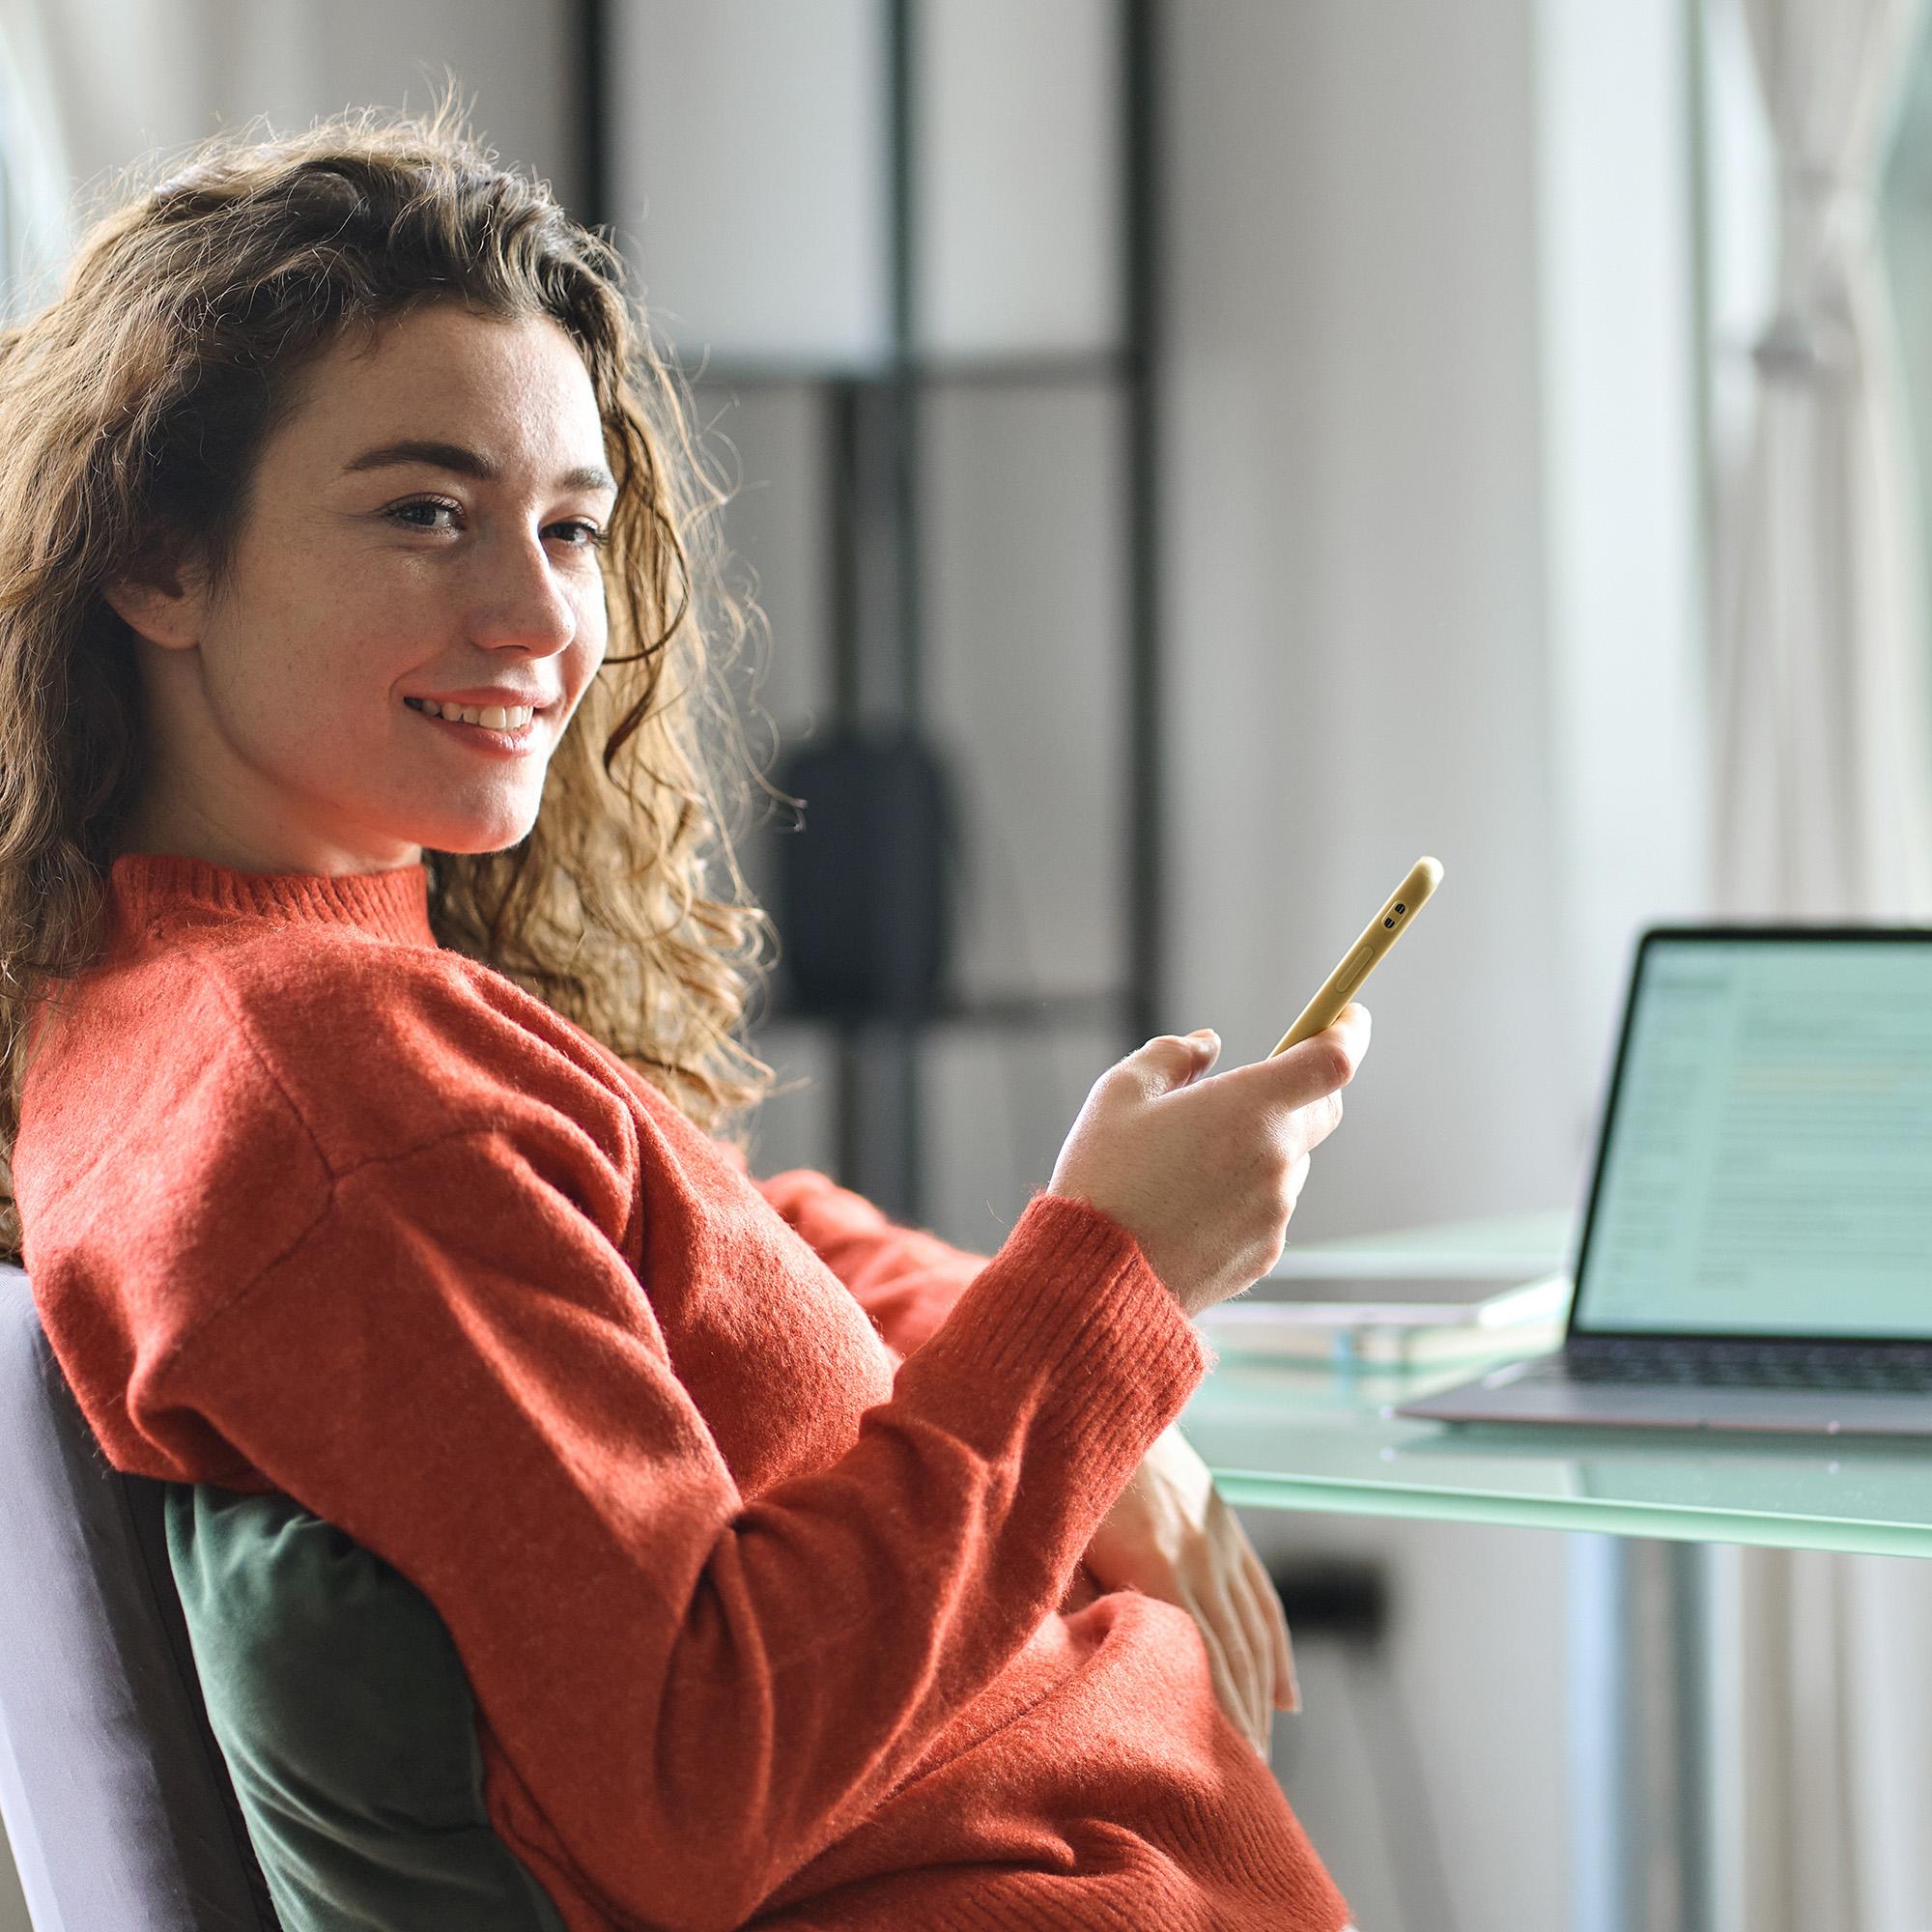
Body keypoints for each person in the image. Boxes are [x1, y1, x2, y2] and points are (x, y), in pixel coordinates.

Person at [0, 96, 1371, 1932]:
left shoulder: (255, 990)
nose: (539, 619)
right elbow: (689, 1782)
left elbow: (721, 1235)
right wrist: (1114, 1287)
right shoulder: (326, 1092)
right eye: (424, 512)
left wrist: (1083, 1364)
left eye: (571, 528)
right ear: (157, 559)